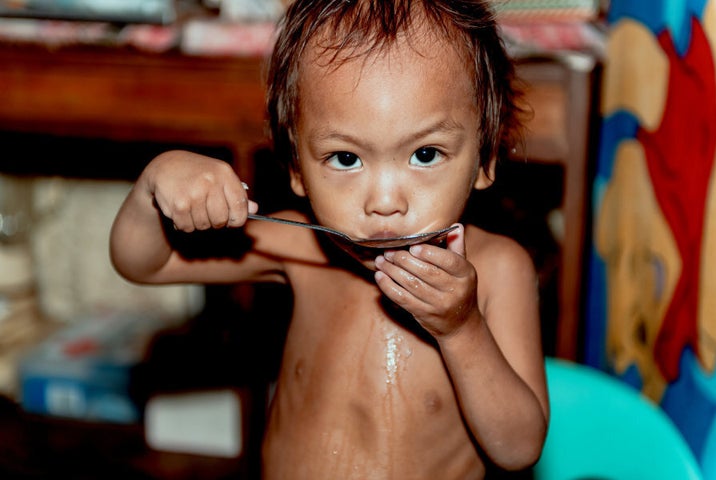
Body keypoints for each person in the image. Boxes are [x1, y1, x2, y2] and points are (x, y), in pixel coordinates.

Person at [110, 0, 549, 478]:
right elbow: (142, 264)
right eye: (345, 159)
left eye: (425, 154)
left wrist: (462, 330)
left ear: (484, 158)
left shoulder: (499, 269)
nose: (383, 202)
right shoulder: (300, 247)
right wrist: (154, 186)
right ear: (298, 169)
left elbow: (519, 446)